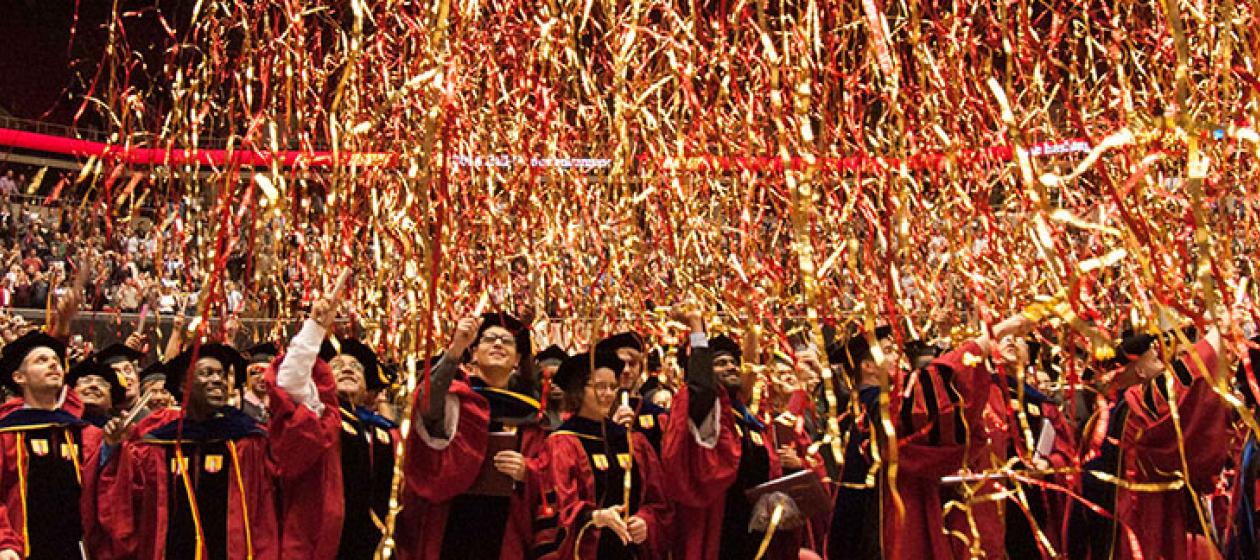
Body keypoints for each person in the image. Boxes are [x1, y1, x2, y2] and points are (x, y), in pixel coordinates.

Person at [827, 312, 1036, 560]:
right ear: (868, 366)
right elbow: (930, 394)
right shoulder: (874, 405)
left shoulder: (870, 404)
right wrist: (992, 336)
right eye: (888, 350)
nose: (897, 357)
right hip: (881, 525)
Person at [1068, 321, 1234, 560]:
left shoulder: (1107, 416)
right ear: (1141, 372)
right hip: (1136, 525)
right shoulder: (1134, 412)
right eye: (1156, 359)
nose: (1164, 365)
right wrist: (1217, 332)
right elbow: (1185, 385)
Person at [395, 311, 547, 559]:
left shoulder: (531, 414)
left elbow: (550, 473)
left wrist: (526, 471)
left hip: (506, 525)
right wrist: (456, 349)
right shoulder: (456, 399)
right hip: (450, 517)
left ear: (518, 359)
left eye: (507, 341)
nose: (498, 344)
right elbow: (426, 406)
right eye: (489, 339)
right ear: (474, 353)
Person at [660, 306, 803, 560]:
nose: (731, 367)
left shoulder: (751, 423)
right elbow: (700, 386)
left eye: (733, 362)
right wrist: (697, 327)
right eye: (719, 363)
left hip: (757, 535)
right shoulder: (706, 412)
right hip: (722, 532)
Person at [545, 351, 672, 559]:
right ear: (578, 391)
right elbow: (559, 506)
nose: (608, 393)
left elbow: (659, 501)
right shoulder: (562, 442)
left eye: (613, 387)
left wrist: (645, 521)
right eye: (599, 386)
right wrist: (596, 517)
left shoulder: (633, 441)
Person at [0, 330, 106, 559]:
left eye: (56, 361)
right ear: (19, 377)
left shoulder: (83, 433)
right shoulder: (6, 434)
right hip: (22, 550)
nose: (53, 365)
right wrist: (3, 541)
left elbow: (106, 492)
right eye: (42, 360)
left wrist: (115, 448)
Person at [319, 336, 399, 559]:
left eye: (356, 367)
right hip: (330, 538)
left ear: (368, 387)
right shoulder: (317, 419)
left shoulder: (385, 432)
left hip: (379, 540)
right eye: (336, 366)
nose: (347, 369)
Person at [600, 332, 670, 454]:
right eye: (620, 364)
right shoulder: (596, 413)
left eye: (632, 364)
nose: (626, 370)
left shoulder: (657, 416)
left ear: (641, 368)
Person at [240, 342, 277, 424]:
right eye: (257, 372)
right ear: (248, 376)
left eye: (268, 373)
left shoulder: (277, 406)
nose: (263, 378)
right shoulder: (239, 407)